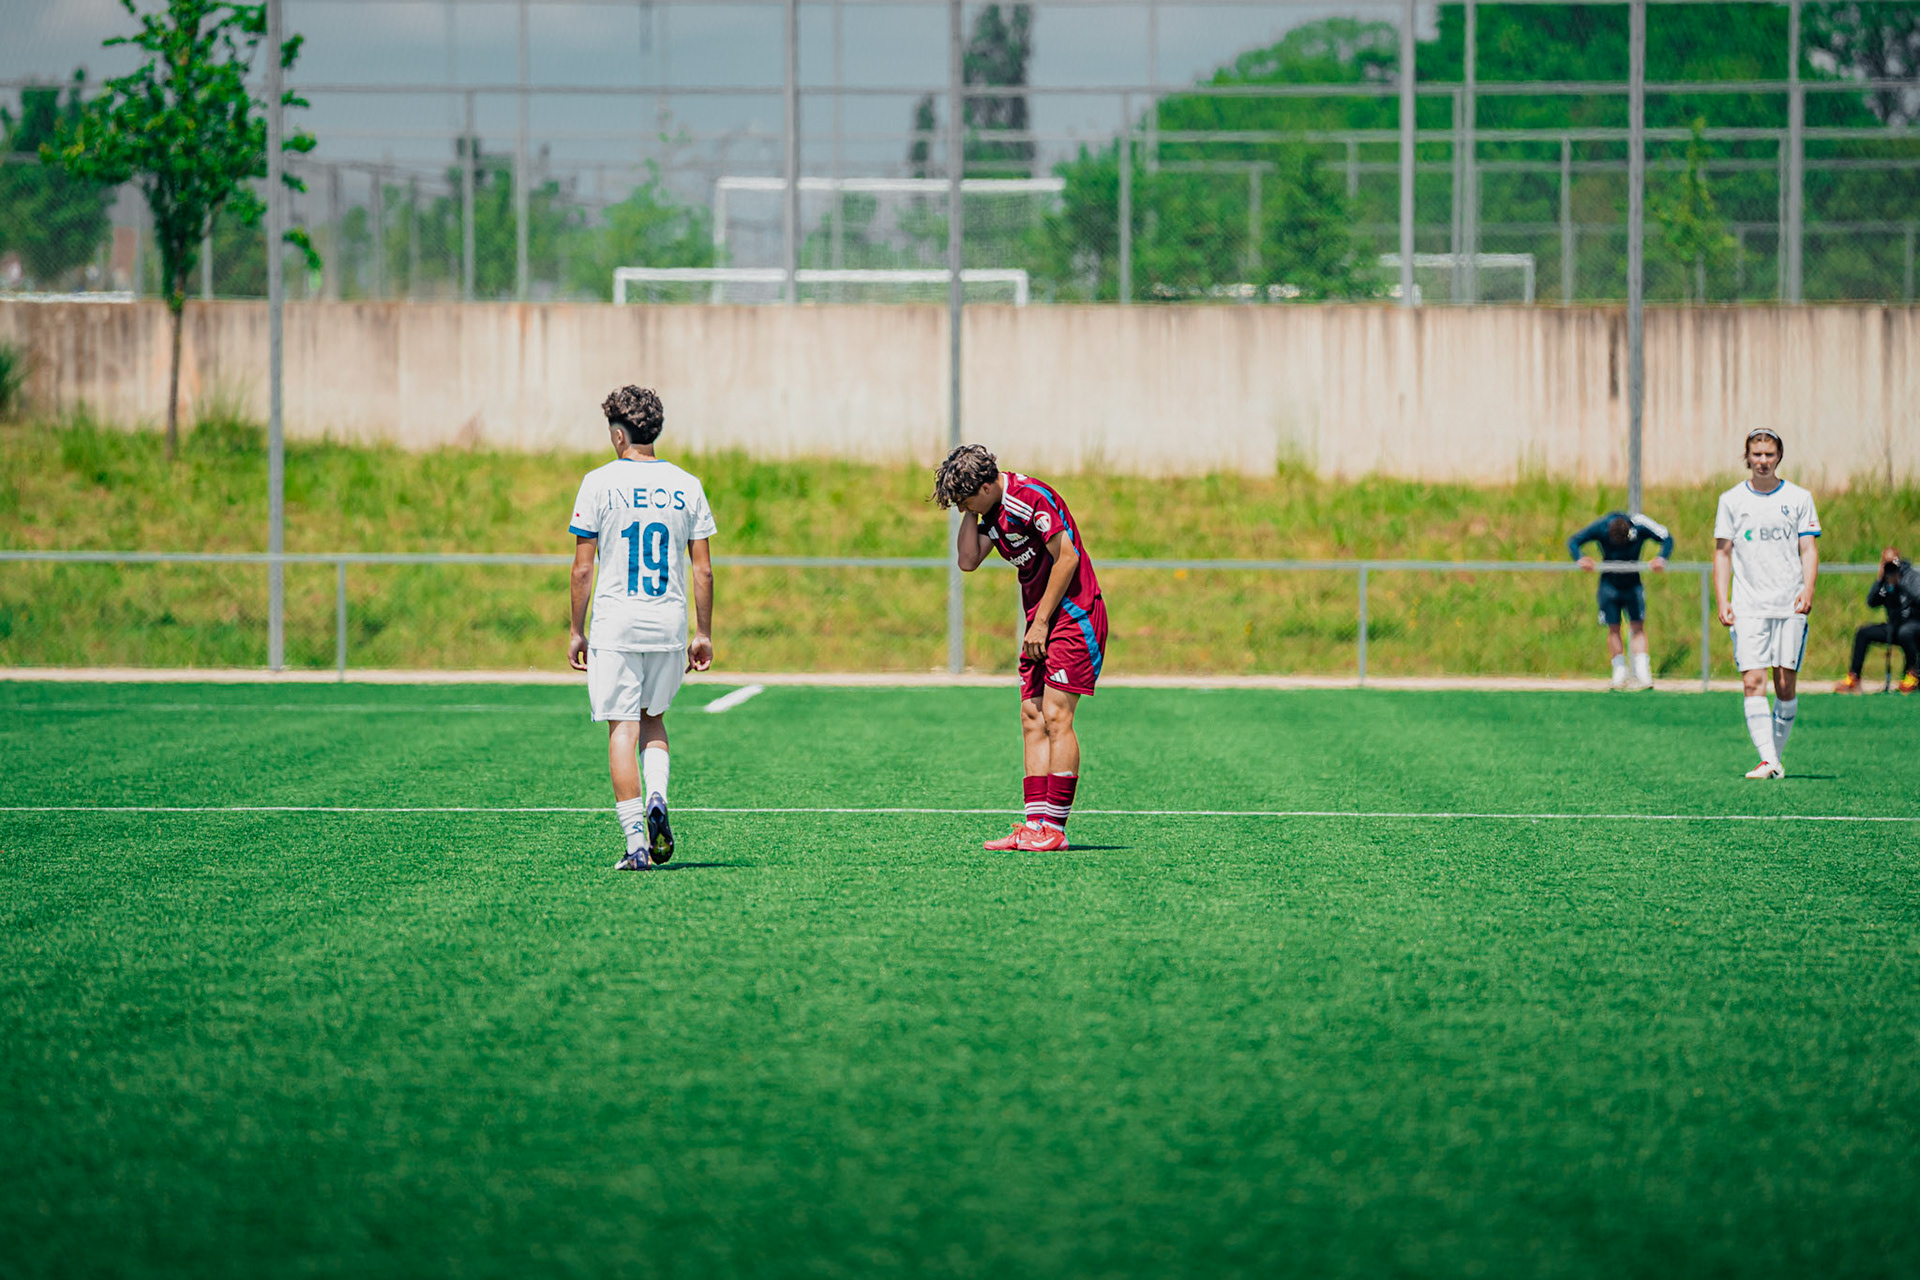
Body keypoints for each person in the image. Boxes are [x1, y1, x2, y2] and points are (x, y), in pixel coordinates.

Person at [567, 386, 716, 870]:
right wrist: (704, 633)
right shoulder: (687, 484)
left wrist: (576, 629)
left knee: (621, 728)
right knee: (654, 719)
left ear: (617, 434)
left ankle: (636, 843)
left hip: (617, 623)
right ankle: (657, 796)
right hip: (669, 623)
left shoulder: (597, 482)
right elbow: (703, 569)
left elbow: (582, 568)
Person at [934, 445, 1106, 853]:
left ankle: (1056, 831)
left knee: (1056, 714)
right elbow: (967, 560)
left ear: (988, 483)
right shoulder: (988, 511)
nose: (962, 506)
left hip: (1073, 616)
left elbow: (1067, 558)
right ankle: (1034, 826)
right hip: (1040, 622)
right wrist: (970, 510)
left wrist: (1043, 621)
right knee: (1031, 716)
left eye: (965, 498)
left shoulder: (1030, 498)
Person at [1713, 428, 1820, 780]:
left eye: (1769, 454)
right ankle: (1768, 760)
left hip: (1788, 604)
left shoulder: (1799, 497)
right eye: (1757, 454)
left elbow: (1808, 548)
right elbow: (1722, 553)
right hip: (1748, 605)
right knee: (1752, 680)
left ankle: (1772, 758)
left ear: (1779, 457)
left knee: (1784, 684)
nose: (1762, 461)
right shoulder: (1731, 500)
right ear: (1747, 457)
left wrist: (1808, 590)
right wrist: (1723, 598)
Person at [1567, 510, 1674, 689]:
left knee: (1637, 626)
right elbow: (1574, 541)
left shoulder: (1639, 524)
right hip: (1609, 585)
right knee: (1613, 627)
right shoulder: (1601, 527)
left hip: (1633, 584)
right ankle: (1619, 670)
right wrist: (1580, 559)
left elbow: (1667, 537)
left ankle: (1642, 671)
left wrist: (1662, 558)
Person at [1835, 547, 1920, 694]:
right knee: (1863, 633)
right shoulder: (1885, 581)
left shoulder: (1912, 576)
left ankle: (1913, 674)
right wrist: (1880, 580)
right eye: (1885, 562)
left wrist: (1900, 584)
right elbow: (1872, 602)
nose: (1889, 565)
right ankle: (1854, 677)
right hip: (1893, 627)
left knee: (1905, 632)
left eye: (1892, 561)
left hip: (1913, 625)